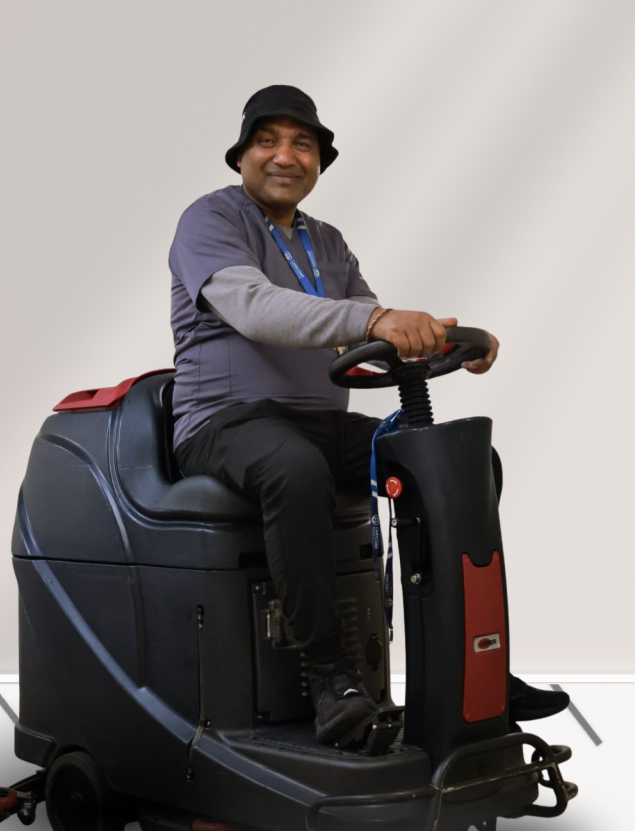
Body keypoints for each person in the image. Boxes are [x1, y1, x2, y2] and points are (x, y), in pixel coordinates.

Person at [168, 84, 568, 744]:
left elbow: (365, 333)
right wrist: (380, 319)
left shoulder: (327, 242)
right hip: (225, 422)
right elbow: (253, 307)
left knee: (459, 463)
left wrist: (441, 340)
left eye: (302, 144)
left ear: (318, 163)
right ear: (241, 157)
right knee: (295, 468)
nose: (285, 155)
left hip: (319, 426)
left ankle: (468, 665)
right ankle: (332, 680)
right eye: (267, 141)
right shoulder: (210, 220)